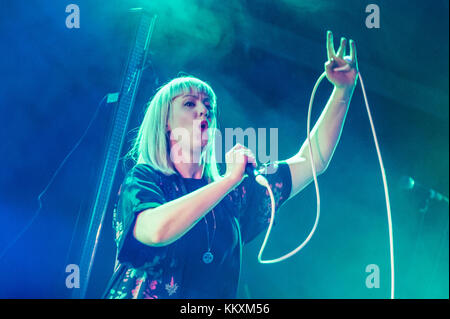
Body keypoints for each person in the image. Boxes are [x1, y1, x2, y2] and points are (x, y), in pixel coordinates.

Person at [103, 31, 358, 299]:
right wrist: (227, 180)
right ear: (165, 122)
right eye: (189, 104)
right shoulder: (145, 179)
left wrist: (342, 91)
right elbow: (155, 232)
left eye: (208, 106)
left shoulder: (236, 193)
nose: (203, 111)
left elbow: (312, 160)